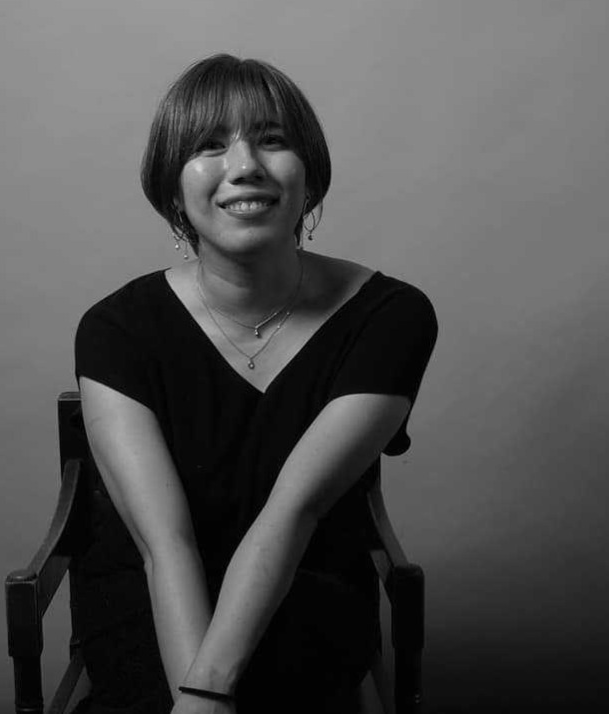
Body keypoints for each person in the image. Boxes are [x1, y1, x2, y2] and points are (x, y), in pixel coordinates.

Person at [73, 54, 437, 714]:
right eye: (209, 146)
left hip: (307, 593)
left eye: (272, 140)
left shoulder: (390, 317)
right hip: (153, 599)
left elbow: (294, 510)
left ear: (310, 175)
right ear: (171, 186)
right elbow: (164, 544)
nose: (245, 166)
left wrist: (210, 689)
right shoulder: (115, 329)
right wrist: (196, 698)